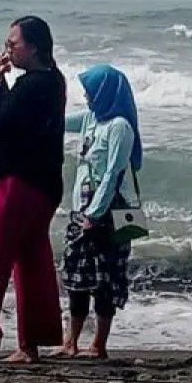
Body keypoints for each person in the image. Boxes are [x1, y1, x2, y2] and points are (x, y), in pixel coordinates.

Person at [0, 16, 66, 363]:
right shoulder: (54, 81)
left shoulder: (31, 86)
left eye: (14, 43)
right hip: (45, 185)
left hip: (17, 184)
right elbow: (18, 123)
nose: (7, 48)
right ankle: (31, 343)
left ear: (34, 47)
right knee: (32, 260)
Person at [59, 65, 143, 359]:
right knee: (77, 278)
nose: (87, 97)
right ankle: (71, 341)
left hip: (109, 212)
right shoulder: (92, 119)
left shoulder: (120, 126)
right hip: (82, 208)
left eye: (91, 92)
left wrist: (95, 215)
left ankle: (98, 345)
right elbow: (60, 121)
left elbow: (113, 174)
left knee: (106, 280)